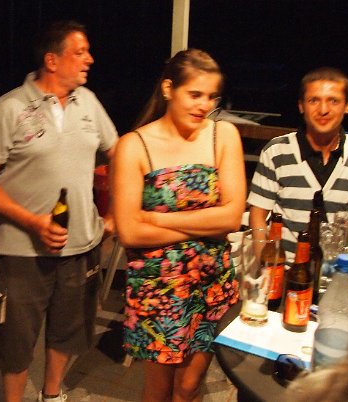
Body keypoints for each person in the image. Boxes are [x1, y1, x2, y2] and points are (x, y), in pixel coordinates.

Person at [0, 20, 117, 402]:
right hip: (23, 249)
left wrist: (114, 215)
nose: (90, 59)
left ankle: (52, 394)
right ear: (52, 60)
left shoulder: (89, 102)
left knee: (68, 331)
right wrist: (33, 222)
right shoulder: (9, 107)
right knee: (15, 339)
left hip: (81, 245)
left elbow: (118, 153)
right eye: (80, 52)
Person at [113, 49, 244, 401]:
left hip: (210, 283)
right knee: (158, 390)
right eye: (195, 94)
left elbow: (232, 217)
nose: (204, 105)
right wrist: (208, 223)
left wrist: (157, 218)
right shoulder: (134, 146)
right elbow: (130, 232)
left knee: (188, 386)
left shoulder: (222, 135)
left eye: (212, 97)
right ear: (169, 88)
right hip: (158, 290)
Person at [247, 67, 348, 258]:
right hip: (284, 268)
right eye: (314, 100)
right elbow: (258, 216)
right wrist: (266, 265)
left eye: (333, 101)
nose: (323, 110)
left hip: (338, 271)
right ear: (301, 106)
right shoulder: (276, 151)